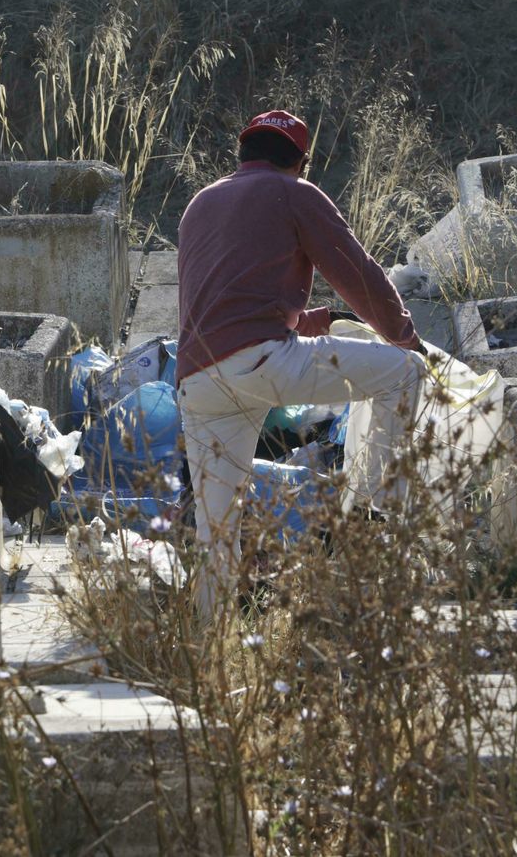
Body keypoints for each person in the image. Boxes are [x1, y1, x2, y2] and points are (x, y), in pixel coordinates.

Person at [175, 110, 425, 614]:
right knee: (404, 374)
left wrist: (314, 320)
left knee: (216, 531)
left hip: (197, 379)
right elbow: (359, 272)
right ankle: (369, 515)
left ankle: (209, 645)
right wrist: (404, 336)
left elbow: (230, 303)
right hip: (262, 362)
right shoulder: (296, 194)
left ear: (243, 154)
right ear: (301, 163)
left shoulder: (199, 204)